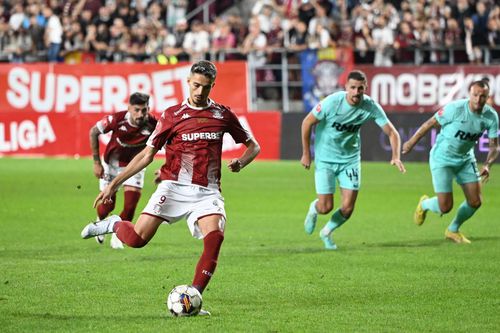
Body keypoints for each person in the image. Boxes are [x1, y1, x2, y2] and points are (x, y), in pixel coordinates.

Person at [81, 60, 260, 315]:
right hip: (174, 188)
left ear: (213, 86)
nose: (199, 91)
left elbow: (254, 146)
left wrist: (241, 162)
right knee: (135, 240)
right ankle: (113, 224)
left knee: (216, 237)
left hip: (207, 192)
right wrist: (114, 184)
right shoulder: (171, 115)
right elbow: (146, 155)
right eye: (196, 85)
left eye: (205, 87)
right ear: (187, 82)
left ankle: (194, 299)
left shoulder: (222, 115)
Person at [301, 70, 406, 250]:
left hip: (350, 160)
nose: (356, 92)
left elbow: (392, 132)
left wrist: (395, 156)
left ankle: (326, 232)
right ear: (346, 88)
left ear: (365, 88)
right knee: (325, 207)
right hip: (326, 159)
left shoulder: (370, 106)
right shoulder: (332, 102)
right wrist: (306, 153)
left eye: (360, 88)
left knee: (348, 208)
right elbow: (307, 122)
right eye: (353, 88)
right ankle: (314, 208)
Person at [402, 80, 499, 244]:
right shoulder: (455, 109)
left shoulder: (491, 116)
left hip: (465, 159)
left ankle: (452, 230)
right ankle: (424, 204)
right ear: (470, 94)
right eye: (475, 95)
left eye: (482, 96)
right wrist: (412, 142)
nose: (478, 99)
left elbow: (494, 146)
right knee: (445, 207)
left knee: (475, 201)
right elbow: (430, 123)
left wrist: (488, 164)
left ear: (487, 97)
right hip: (442, 159)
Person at [90, 92, 157, 249]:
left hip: (135, 166)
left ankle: (117, 234)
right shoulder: (117, 119)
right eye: (137, 110)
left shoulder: (154, 123)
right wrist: (96, 162)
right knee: (108, 205)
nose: (140, 114)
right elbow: (94, 131)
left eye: (144, 110)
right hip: (112, 164)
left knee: (131, 206)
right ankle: (101, 221)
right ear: (129, 108)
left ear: (149, 109)